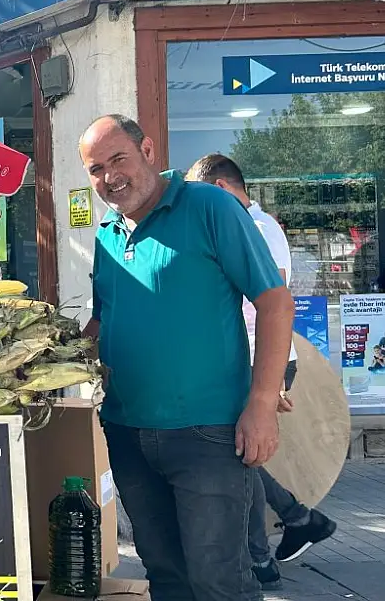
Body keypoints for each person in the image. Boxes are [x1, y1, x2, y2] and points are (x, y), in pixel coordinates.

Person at [80, 115, 294, 601]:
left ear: (148, 151)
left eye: (119, 159)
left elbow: (275, 302)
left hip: (209, 434)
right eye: (96, 169)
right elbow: (103, 321)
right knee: (166, 577)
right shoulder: (108, 234)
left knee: (218, 581)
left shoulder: (209, 205)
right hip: (127, 433)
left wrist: (261, 404)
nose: (110, 176)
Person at [187, 154, 337, 580]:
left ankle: (266, 552)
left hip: (257, 359)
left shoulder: (255, 229)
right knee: (243, 458)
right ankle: (289, 529)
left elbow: (270, 301)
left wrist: (264, 386)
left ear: (217, 190)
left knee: (240, 457)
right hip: (250, 359)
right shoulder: (258, 226)